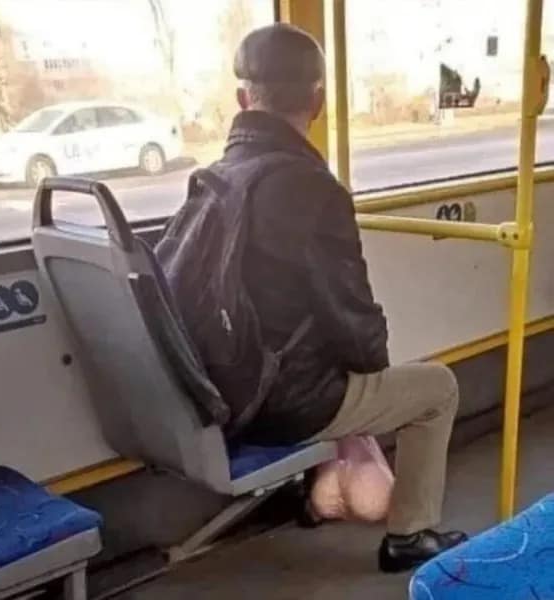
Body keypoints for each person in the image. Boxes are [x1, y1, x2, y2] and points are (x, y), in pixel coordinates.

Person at [190, 23, 466, 573]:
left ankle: (316, 489)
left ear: (243, 100)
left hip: (219, 386)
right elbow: (355, 322)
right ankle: (410, 535)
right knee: (437, 387)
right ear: (317, 103)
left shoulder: (215, 179)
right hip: (283, 400)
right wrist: (374, 373)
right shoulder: (314, 189)